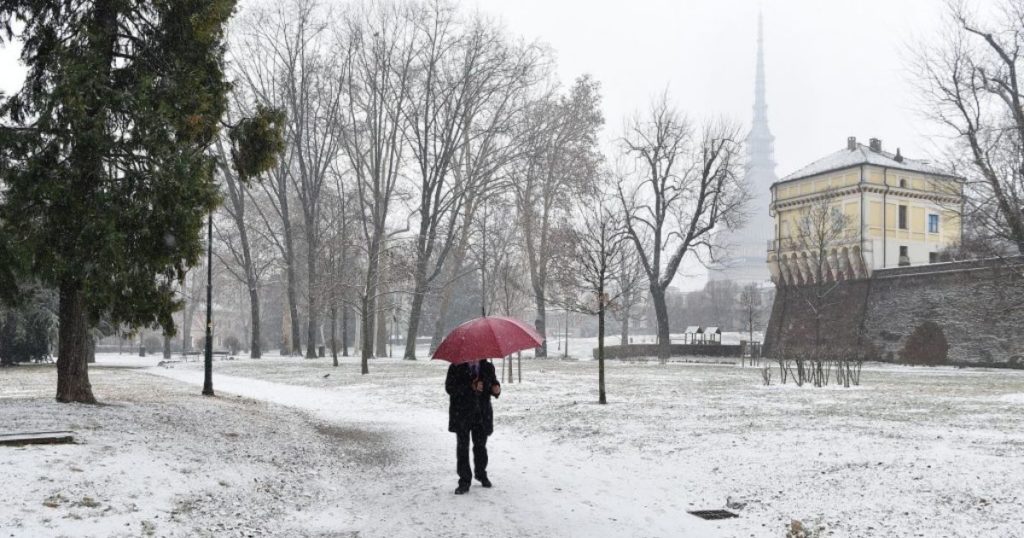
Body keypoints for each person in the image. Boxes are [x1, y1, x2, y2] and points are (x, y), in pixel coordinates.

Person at [445, 358, 501, 495]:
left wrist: (496, 389)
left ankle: (481, 473)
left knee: (480, 446)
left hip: (482, 414)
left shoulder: (488, 367)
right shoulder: (456, 366)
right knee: (463, 447)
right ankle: (464, 480)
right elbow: (450, 388)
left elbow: (492, 383)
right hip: (462, 414)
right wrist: (470, 386)